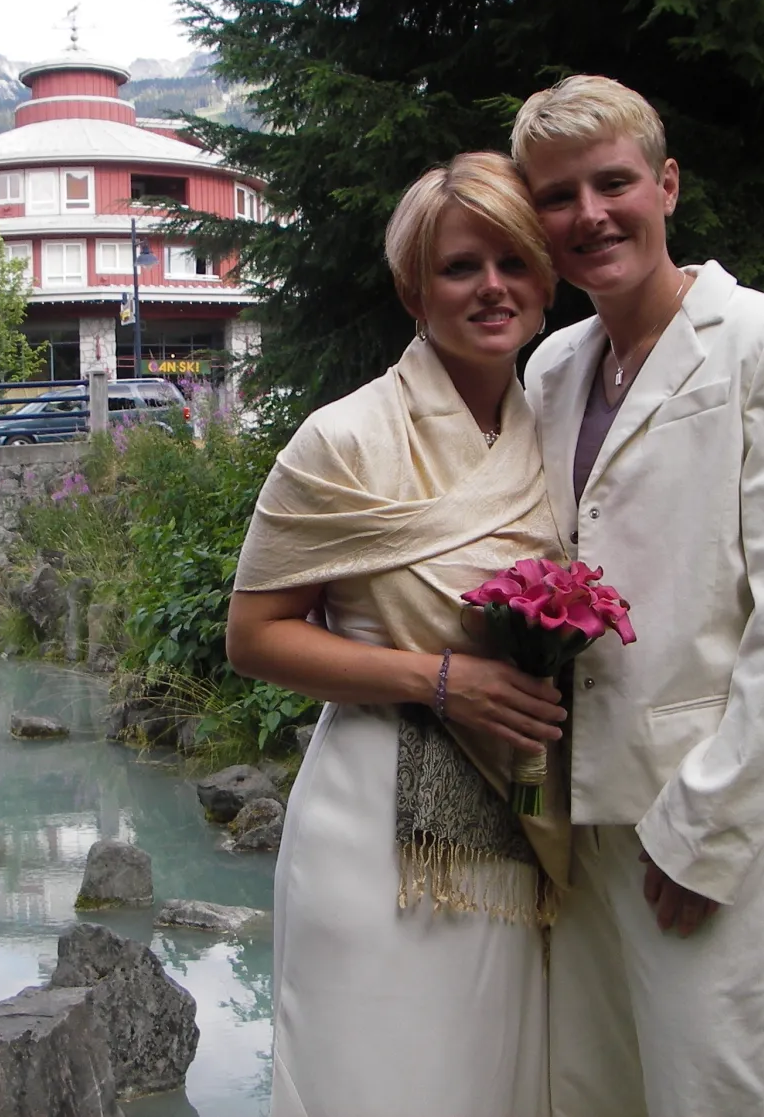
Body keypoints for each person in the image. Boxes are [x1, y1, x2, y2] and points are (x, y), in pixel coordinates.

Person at [511, 75, 764, 1117]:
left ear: (666, 186)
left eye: (613, 183)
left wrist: (708, 828)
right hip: (574, 814)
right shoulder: (554, 365)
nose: (590, 214)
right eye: (559, 197)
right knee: (590, 1096)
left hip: (706, 812)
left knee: (710, 1099)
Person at [225, 151, 570, 1117]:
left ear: (547, 279)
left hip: (520, 820)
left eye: (514, 261)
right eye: (462, 266)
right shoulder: (344, 438)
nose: (492, 287)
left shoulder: (564, 431)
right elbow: (253, 637)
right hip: (376, 833)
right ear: (414, 289)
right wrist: (438, 679)